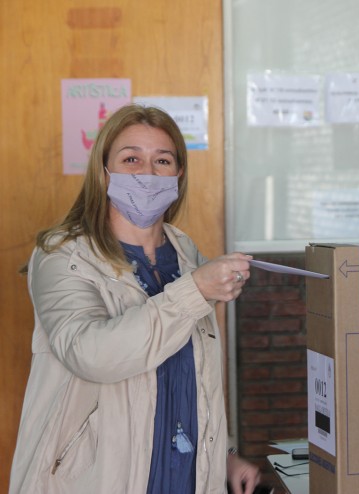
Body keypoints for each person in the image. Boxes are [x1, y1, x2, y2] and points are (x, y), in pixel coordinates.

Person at [10, 104, 261, 494]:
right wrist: (194, 291)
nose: (147, 172)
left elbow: (191, 374)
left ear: (178, 174)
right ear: (104, 171)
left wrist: (220, 454)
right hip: (96, 479)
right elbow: (91, 354)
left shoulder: (185, 252)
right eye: (131, 159)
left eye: (162, 160)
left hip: (183, 476)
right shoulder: (63, 255)